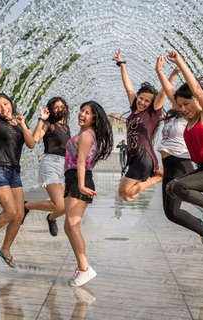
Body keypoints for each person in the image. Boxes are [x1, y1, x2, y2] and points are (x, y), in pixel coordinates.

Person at [156, 51, 203, 248]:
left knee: (177, 187)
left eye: (186, 103)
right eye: (179, 105)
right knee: (171, 188)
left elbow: (197, 89)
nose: (182, 108)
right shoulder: (188, 119)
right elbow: (170, 90)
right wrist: (159, 71)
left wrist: (180, 63)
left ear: (197, 101)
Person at [0, 67, 35, 268]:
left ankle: (6, 248)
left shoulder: (18, 122)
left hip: (14, 174)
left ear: (10, 103)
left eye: (5, 104)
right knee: (10, 211)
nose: (4, 109)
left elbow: (31, 144)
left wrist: (23, 124)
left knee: (19, 214)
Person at [64, 101, 113, 286]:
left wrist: (82, 186)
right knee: (69, 227)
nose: (82, 114)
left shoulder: (86, 135)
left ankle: (85, 269)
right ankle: (82, 268)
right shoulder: (86, 133)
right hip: (74, 180)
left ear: (94, 118)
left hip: (78, 181)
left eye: (87, 112)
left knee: (73, 227)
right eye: (82, 110)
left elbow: (81, 162)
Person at [113, 49, 165, 202]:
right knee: (127, 197)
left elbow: (162, 94)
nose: (142, 102)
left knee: (123, 191)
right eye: (141, 98)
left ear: (151, 103)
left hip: (144, 155)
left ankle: (156, 179)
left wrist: (168, 72)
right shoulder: (135, 108)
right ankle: (156, 175)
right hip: (136, 156)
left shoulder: (152, 113)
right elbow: (128, 88)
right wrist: (122, 64)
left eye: (146, 101)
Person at [24, 97, 71, 236]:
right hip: (51, 164)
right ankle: (26, 206)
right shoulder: (49, 124)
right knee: (59, 205)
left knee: (67, 206)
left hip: (64, 167)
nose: (59, 109)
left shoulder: (66, 127)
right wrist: (41, 119)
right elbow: (35, 138)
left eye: (62, 106)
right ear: (50, 110)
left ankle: (51, 218)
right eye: (56, 107)